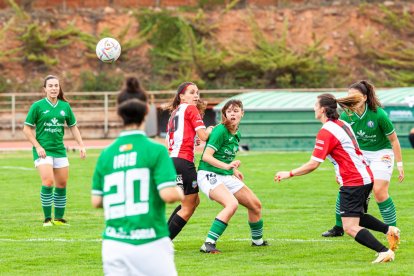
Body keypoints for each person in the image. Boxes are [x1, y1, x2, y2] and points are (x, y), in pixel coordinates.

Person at [275, 93, 400, 263]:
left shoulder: (326, 132)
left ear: (323, 110)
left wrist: (288, 173)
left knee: (349, 226)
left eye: (315, 105)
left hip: (354, 180)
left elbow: (313, 164)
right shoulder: (342, 124)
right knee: (356, 215)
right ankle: (389, 230)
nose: (313, 108)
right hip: (364, 176)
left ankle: (384, 251)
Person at [91, 98, 184, 276]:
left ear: (121, 118)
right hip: (149, 239)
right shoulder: (155, 150)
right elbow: (168, 195)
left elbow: (96, 200)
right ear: (145, 117)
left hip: (114, 242)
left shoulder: (106, 153)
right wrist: (180, 191)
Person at [322, 80, 404, 238]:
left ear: (365, 97)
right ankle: (338, 227)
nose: (351, 99)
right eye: (349, 96)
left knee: (379, 191)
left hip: (382, 152)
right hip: (360, 153)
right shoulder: (346, 116)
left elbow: (394, 140)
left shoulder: (378, 114)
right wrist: (339, 169)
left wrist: (399, 164)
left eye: (355, 96)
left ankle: (393, 231)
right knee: (347, 185)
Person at [197, 99, 267, 254]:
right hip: (208, 174)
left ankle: (257, 242)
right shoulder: (220, 130)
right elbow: (207, 157)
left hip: (225, 174)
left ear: (242, 113)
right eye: (229, 111)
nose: (232, 114)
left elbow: (223, 157)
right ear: (224, 115)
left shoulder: (236, 134)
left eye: (236, 111)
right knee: (231, 204)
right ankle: (208, 243)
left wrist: (233, 169)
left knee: (255, 205)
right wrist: (227, 166)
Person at [23, 75, 86, 226]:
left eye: (56, 86)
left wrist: (81, 145)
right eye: (50, 86)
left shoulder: (65, 106)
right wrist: (38, 146)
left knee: (62, 184)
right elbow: (26, 129)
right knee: (48, 181)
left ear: (59, 88)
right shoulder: (37, 106)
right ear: (44, 89)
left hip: (59, 150)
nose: (53, 88)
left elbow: (73, 127)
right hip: (43, 151)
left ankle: (58, 219)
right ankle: (47, 219)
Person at [165, 82, 213, 240]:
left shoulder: (174, 113)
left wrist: (192, 140)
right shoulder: (190, 108)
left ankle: (163, 236)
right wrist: (211, 129)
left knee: (192, 201)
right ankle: (163, 242)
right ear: (182, 96)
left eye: (197, 92)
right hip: (184, 162)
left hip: (173, 161)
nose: (196, 96)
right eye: (192, 92)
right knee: (188, 206)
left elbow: (170, 142)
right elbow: (204, 136)